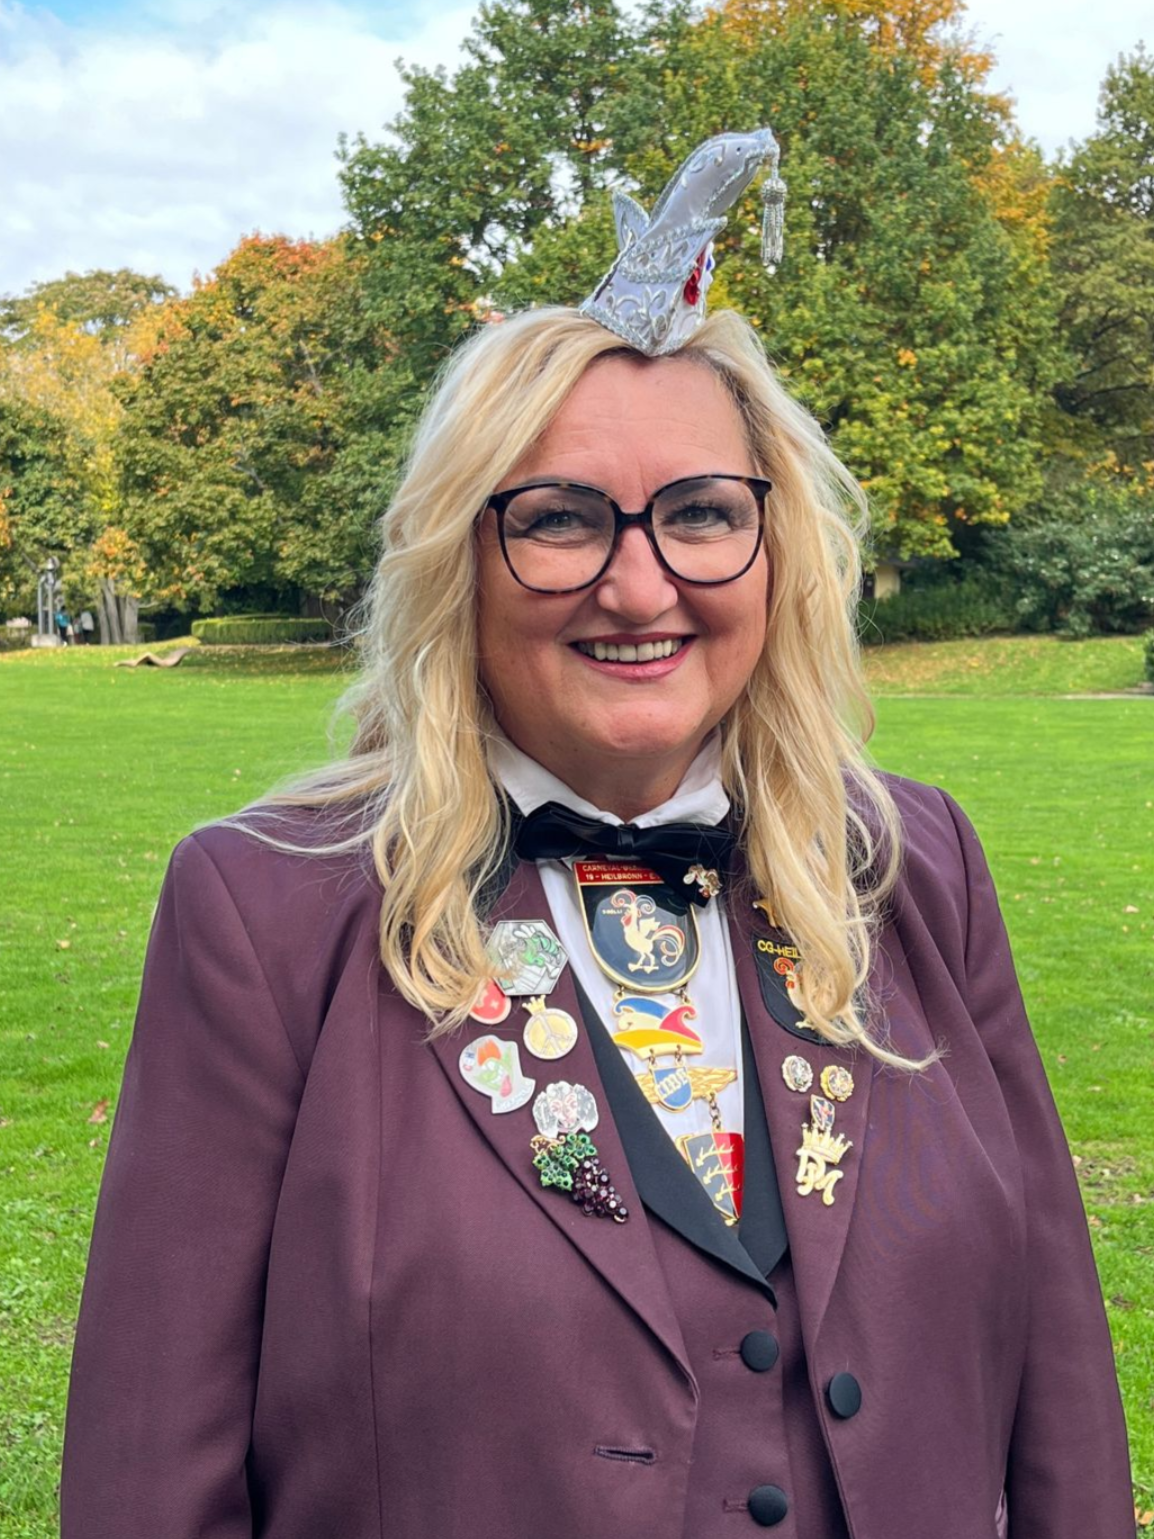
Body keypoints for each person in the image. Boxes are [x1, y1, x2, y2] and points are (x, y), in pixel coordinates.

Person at [61, 131, 1132, 1539]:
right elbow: (150, 1476)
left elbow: (1059, 1392)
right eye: (561, 520)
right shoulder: (265, 910)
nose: (639, 586)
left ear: (777, 552)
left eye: (702, 513)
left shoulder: (914, 866)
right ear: (458, 557)